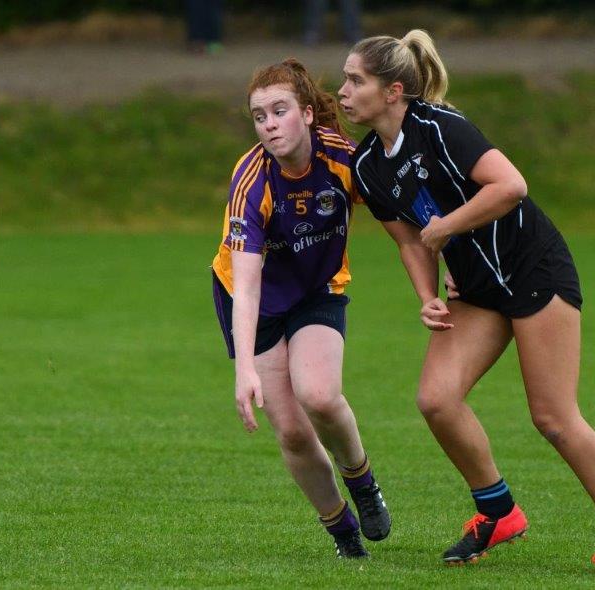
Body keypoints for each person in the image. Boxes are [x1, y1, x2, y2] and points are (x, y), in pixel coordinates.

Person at [337, 30, 595, 574]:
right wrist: (425, 294)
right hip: (477, 289)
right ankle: (498, 511)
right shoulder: (367, 164)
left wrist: (445, 228)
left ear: (393, 91)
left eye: (355, 79)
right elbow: (410, 241)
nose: (342, 90)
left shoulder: (440, 128)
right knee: (437, 399)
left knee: (553, 417)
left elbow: (511, 185)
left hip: (532, 269)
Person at [211, 59, 391, 559]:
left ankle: (363, 481)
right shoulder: (251, 181)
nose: (269, 124)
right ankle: (342, 532)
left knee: (319, 395)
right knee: (290, 430)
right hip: (255, 301)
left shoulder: (344, 159)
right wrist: (244, 368)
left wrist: (442, 267)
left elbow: (401, 220)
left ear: (308, 114)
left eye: (280, 110)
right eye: (259, 115)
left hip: (317, 289)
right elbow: (245, 286)